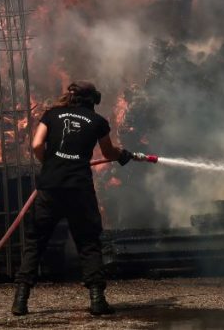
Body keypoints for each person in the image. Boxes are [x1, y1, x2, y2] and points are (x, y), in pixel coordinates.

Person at [11, 81, 135, 317]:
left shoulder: (51, 114)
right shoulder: (98, 122)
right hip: (79, 189)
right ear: (92, 101)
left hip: (50, 188)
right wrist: (124, 155)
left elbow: (36, 144)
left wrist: (49, 164)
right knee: (88, 242)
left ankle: (20, 301)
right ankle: (97, 300)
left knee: (36, 242)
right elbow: (109, 153)